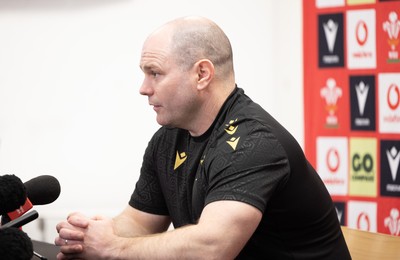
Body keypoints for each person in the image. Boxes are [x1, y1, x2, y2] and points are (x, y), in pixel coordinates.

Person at [54, 16, 351, 259]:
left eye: (154, 73)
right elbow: (139, 222)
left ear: (202, 74)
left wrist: (112, 248)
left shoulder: (254, 143)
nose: (143, 88)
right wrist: (88, 236)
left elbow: (212, 248)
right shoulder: (169, 139)